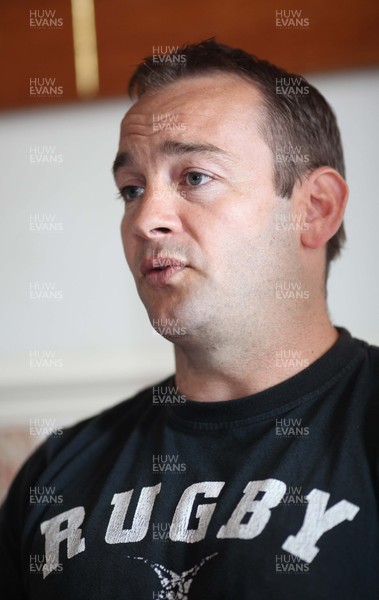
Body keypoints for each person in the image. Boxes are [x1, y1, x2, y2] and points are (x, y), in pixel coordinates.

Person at [0, 39, 378, 600]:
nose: (144, 218)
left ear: (314, 208)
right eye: (131, 189)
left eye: (195, 177)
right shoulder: (56, 473)